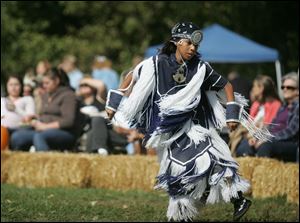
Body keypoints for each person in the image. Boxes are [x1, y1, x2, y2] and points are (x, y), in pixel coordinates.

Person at [105, 22, 271, 222]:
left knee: (213, 157)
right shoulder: (157, 63)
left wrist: (232, 114)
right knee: (180, 174)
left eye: (196, 46)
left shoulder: (201, 67)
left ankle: (237, 199)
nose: (193, 48)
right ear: (176, 42)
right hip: (168, 131)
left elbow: (227, 85)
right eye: (188, 43)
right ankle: (185, 212)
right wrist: (114, 102)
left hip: (195, 127)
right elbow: (132, 76)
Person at [10, 68, 78, 152]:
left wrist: (45, 127)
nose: (44, 86)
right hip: (42, 129)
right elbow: (46, 115)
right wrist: (34, 118)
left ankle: (45, 163)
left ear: (56, 81)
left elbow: (68, 121)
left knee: (40, 137)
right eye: (43, 83)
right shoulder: (46, 95)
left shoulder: (68, 95)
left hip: (64, 132)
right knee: (17, 136)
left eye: (47, 83)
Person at [254, 72, 299, 162]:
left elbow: (290, 132)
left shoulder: (298, 107)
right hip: (274, 139)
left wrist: (268, 138)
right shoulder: (283, 107)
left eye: (289, 87)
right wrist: (257, 137)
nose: (285, 89)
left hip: (289, 143)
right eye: (283, 87)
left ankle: (262, 174)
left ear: (297, 91)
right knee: (246, 146)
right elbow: (271, 126)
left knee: (266, 146)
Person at [233, 75, 282, 157]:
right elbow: (249, 125)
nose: (252, 89)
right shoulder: (256, 104)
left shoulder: (275, 105)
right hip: (250, 136)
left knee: (244, 149)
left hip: (262, 138)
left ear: (261, 88)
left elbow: (270, 127)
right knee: (241, 147)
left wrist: (254, 137)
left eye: (254, 86)